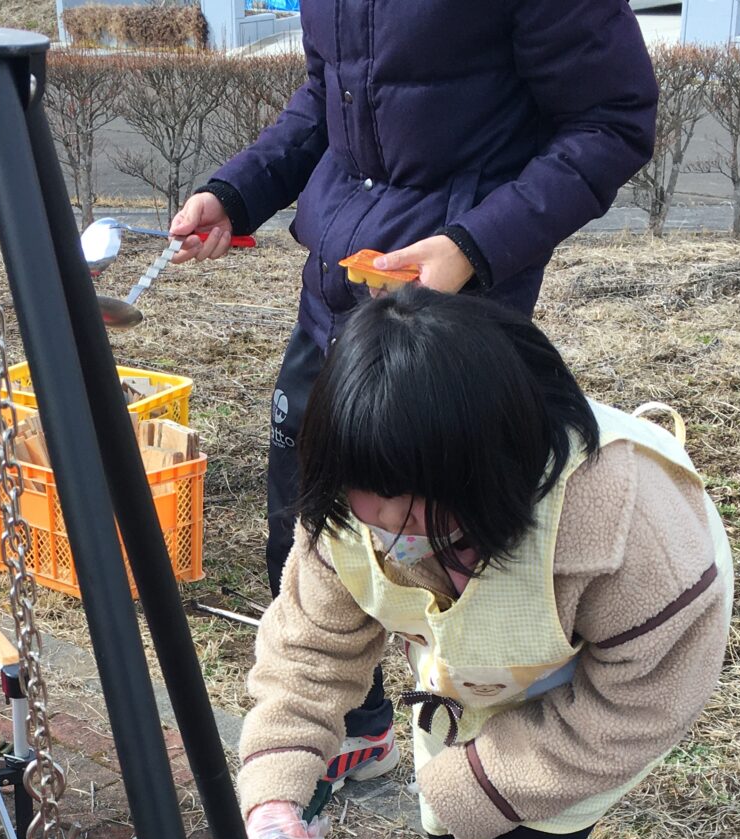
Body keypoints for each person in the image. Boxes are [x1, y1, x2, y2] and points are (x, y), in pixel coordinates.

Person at [237, 287, 731, 839]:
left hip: (602, 686)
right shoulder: (353, 499)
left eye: (408, 516)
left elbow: (645, 695)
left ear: (481, 471)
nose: (386, 540)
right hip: (477, 665)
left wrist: (496, 785)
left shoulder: (626, 518)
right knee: (451, 820)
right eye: (368, 515)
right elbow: (310, 650)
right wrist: (275, 790)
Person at [172, 0, 659, 793]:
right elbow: (327, 98)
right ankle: (360, 724)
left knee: (467, 567)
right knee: (308, 528)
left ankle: (513, 797)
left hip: (456, 320)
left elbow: (613, 122)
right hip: (339, 296)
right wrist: (237, 191)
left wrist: (472, 245)